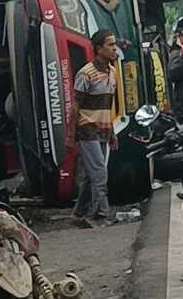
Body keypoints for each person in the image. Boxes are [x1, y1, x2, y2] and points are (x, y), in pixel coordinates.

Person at [71, 30, 119, 228]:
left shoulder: (113, 73)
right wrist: (70, 135)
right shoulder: (85, 74)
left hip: (103, 130)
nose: (114, 48)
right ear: (98, 49)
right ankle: (99, 215)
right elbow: (75, 106)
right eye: (110, 45)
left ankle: (79, 213)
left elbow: (107, 106)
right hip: (87, 129)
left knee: (93, 175)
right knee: (100, 174)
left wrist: (112, 133)